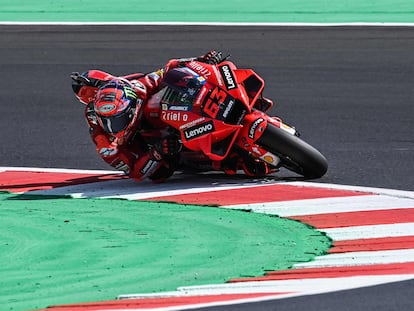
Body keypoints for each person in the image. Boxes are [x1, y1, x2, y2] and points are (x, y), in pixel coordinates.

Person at [71, 51, 224, 182]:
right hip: (150, 145)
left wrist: (201, 60)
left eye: (118, 120)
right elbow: (135, 173)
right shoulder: (105, 143)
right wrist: (156, 152)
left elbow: (168, 69)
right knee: (158, 174)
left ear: (132, 107)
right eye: (107, 121)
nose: (112, 127)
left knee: (181, 83)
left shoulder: (139, 87)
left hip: (161, 113)